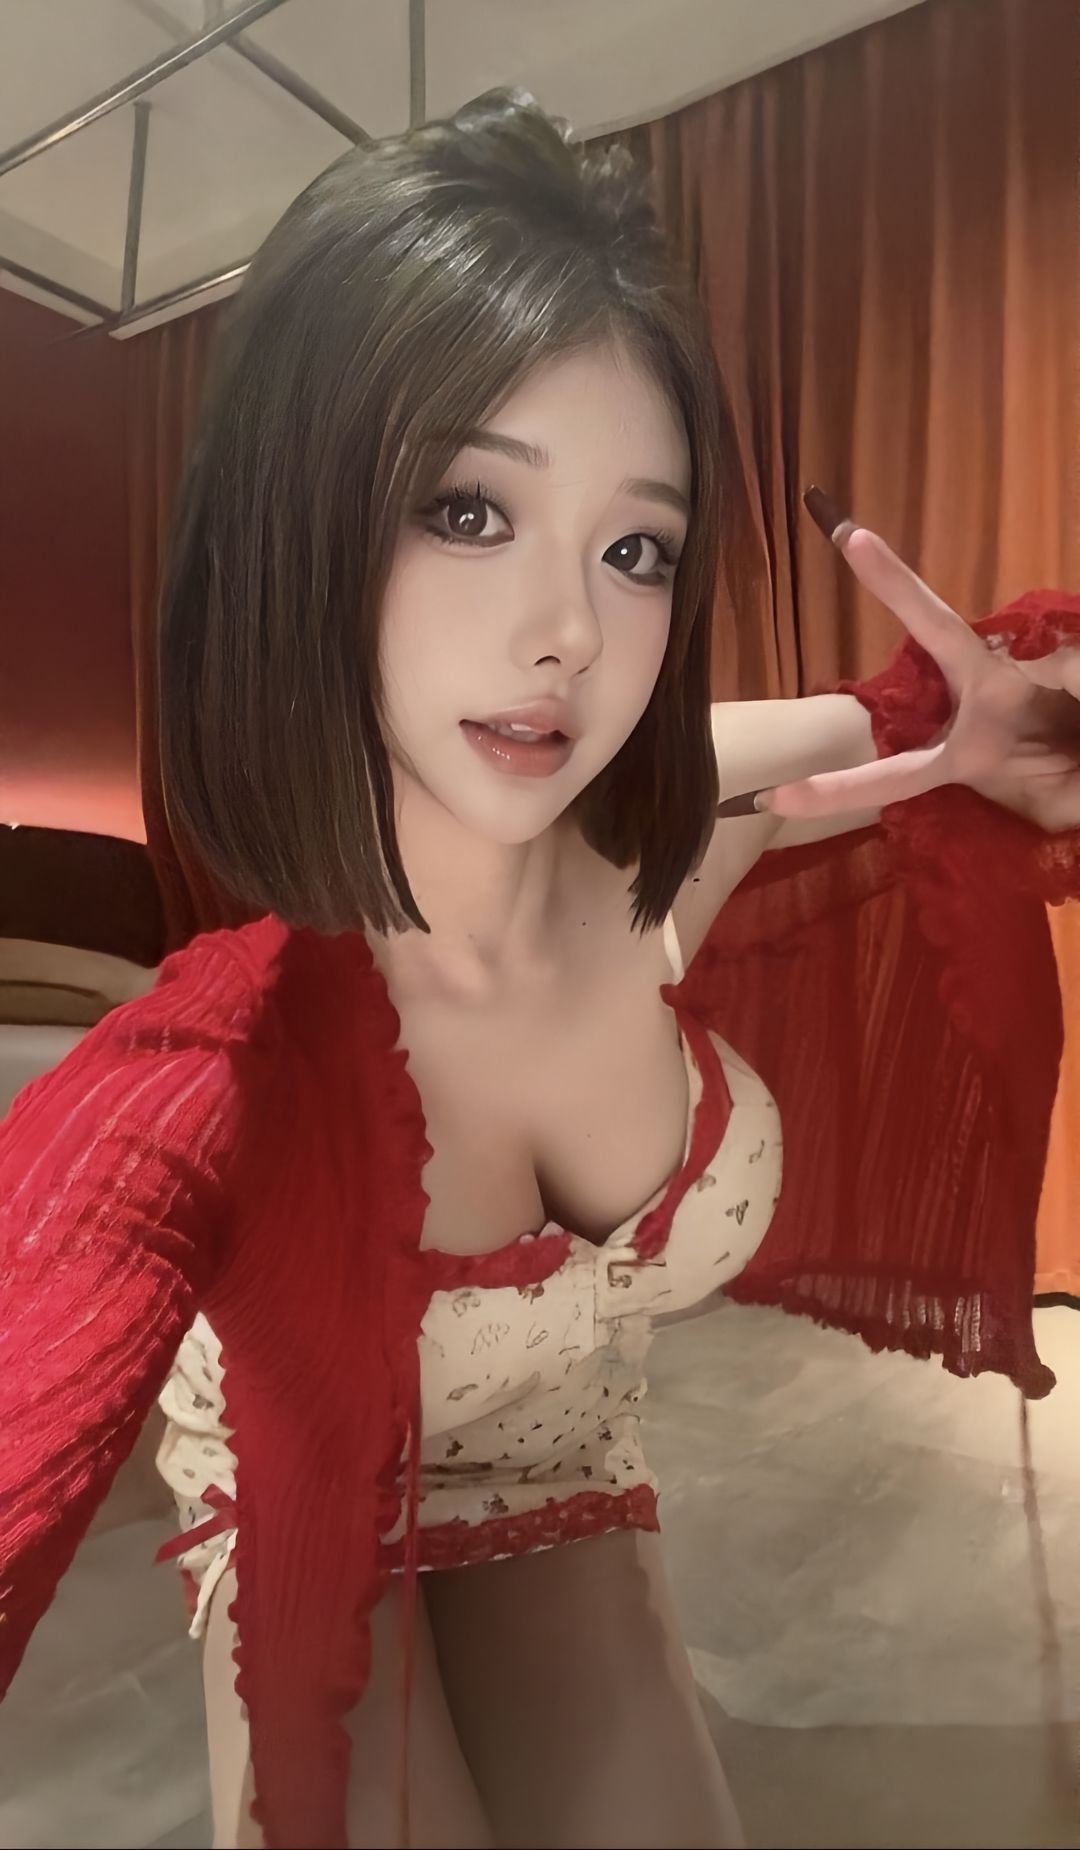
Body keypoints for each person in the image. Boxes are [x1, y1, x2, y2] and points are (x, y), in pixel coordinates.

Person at [1, 91, 1078, 1850]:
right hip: (309, 1493)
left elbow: (823, 737)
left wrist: (983, 733)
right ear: (299, 521)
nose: (570, 630)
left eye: (635, 547)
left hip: (567, 1458)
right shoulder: (208, 1082)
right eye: (466, 507)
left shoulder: (658, 840)